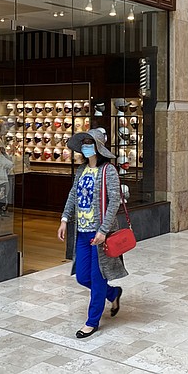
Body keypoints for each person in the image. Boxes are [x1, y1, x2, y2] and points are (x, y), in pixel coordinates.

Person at [57, 129, 127, 339]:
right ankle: (113, 293)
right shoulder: (81, 170)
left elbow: (115, 201)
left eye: (90, 143)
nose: (86, 147)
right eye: (84, 143)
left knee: (97, 278)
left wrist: (104, 230)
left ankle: (92, 321)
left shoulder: (109, 171)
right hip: (82, 231)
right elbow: (73, 195)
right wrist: (64, 219)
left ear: (98, 147)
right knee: (82, 276)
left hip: (100, 233)